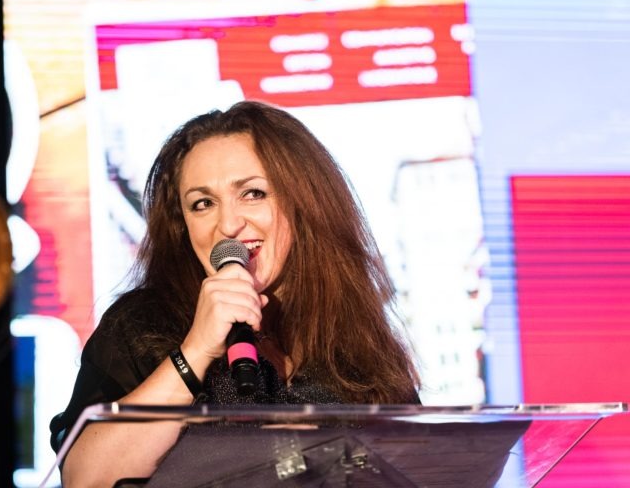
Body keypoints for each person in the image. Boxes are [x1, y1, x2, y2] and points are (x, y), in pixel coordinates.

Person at [49, 100, 421, 487]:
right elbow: (84, 479)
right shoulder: (139, 325)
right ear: (183, 225)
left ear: (304, 203)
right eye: (203, 204)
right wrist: (194, 352)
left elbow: (419, 468)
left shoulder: (353, 333)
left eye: (254, 194)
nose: (228, 224)